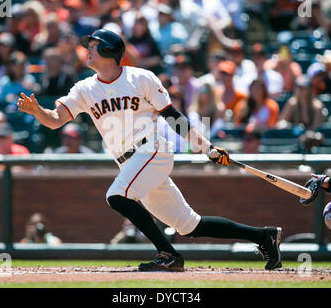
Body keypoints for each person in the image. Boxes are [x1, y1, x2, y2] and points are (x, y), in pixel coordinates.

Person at [17, 29, 282, 271]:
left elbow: (173, 116)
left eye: (94, 45)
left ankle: (168, 254)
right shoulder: (84, 88)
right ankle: (264, 236)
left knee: (116, 196)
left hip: (152, 151)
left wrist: (206, 147)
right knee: (190, 225)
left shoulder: (140, 78)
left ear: (110, 51)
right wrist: (38, 111)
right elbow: (55, 120)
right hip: (130, 163)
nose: (88, 49)